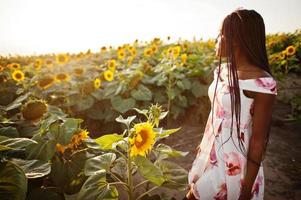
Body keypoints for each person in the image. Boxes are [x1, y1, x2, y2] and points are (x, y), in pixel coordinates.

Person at [184, 8, 278, 200]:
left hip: (234, 163)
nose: (216, 39)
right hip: (211, 155)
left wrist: (245, 190)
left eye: (221, 34)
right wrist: (204, 146)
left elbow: (258, 141)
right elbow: (216, 114)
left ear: (235, 40)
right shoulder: (223, 71)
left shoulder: (263, 84)